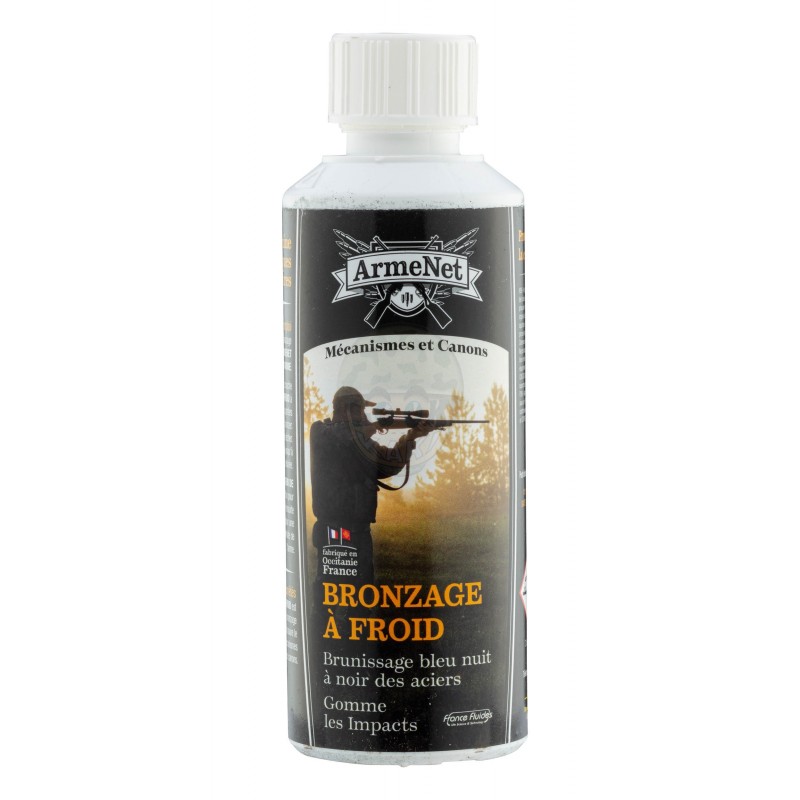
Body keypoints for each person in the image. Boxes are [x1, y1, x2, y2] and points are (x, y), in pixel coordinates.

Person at [309, 386, 432, 590]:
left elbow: (390, 463)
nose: (363, 415)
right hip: (334, 528)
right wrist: (376, 426)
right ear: (348, 409)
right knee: (331, 588)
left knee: (363, 589)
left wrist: (410, 437)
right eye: (360, 410)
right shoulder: (321, 431)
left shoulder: (362, 443)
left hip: (360, 530)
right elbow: (343, 439)